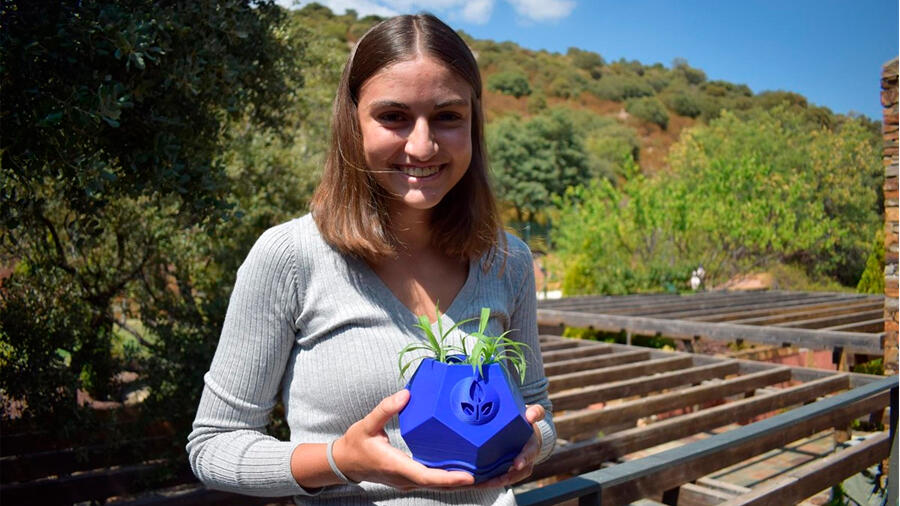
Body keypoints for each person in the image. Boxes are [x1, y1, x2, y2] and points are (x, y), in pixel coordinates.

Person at [186, 13, 555, 505]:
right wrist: (341, 460)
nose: (422, 145)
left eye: (448, 116)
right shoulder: (290, 258)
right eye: (394, 117)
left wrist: (531, 443)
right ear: (351, 121)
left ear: (474, 123)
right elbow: (213, 446)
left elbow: (538, 411)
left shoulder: (507, 260)